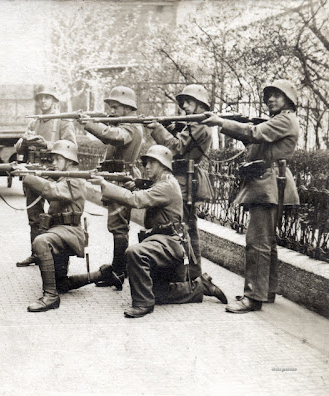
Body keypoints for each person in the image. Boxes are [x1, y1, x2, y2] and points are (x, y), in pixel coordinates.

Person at [88, 145, 227, 318]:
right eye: (146, 163)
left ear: (163, 164)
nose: (146, 166)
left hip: (170, 243)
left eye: (151, 163)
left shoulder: (167, 185)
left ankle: (143, 304)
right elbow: (145, 193)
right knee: (156, 292)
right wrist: (136, 185)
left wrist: (104, 184)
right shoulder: (162, 183)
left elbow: (136, 200)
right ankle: (200, 286)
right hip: (163, 243)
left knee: (134, 253)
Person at [201, 80, 300, 313]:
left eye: (277, 95)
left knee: (256, 243)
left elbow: (255, 133)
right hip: (268, 182)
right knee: (266, 243)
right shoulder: (279, 120)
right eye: (269, 96)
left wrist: (221, 122)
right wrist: (236, 126)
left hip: (269, 184)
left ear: (289, 99)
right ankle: (266, 291)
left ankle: (253, 297)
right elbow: (255, 138)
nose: (271, 99)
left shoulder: (285, 119)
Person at [145, 84, 220, 294]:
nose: (184, 106)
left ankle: (194, 277)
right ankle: (187, 275)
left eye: (188, 101)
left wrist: (157, 128)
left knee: (184, 228)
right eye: (183, 102)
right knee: (184, 227)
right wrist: (165, 126)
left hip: (185, 181)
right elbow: (179, 140)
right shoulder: (191, 124)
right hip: (182, 179)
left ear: (200, 104)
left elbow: (177, 148)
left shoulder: (199, 125)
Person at [76, 86, 143, 289]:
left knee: (119, 227)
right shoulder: (124, 124)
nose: (111, 111)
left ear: (127, 107)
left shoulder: (131, 127)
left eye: (115, 107)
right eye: (111, 107)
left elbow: (113, 136)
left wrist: (90, 124)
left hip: (121, 181)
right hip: (117, 179)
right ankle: (117, 267)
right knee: (116, 227)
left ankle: (119, 272)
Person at [13, 141, 86, 312]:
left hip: (69, 231)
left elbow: (52, 191)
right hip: (60, 231)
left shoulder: (75, 179)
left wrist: (28, 176)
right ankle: (100, 275)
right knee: (61, 282)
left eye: (57, 159)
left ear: (69, 160)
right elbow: (49, 184)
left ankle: (51, 296)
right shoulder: (63, 176)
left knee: (41, 241)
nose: (53, 163)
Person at [15, 85, 76, 268]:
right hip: (35, 171)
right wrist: (24, 141)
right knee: (34, 215)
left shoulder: (63, 121)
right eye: (40, 98)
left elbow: (72, 146)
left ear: (55, 101)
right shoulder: (34, 122)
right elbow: (18, 147)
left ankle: (57, 256)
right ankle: (36, 254)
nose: (43, 101)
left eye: (47, 98)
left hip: (54, 173)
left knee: (58, 214)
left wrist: (48, 145)